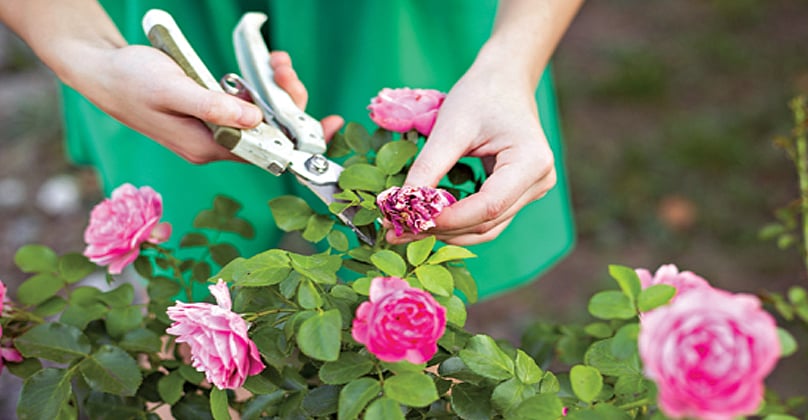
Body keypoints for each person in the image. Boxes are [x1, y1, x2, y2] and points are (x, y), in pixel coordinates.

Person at [0, 0, 582, 300]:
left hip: (392, 16)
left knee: (421, 276)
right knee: (188, 296)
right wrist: (90, 54)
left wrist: (510, 62)